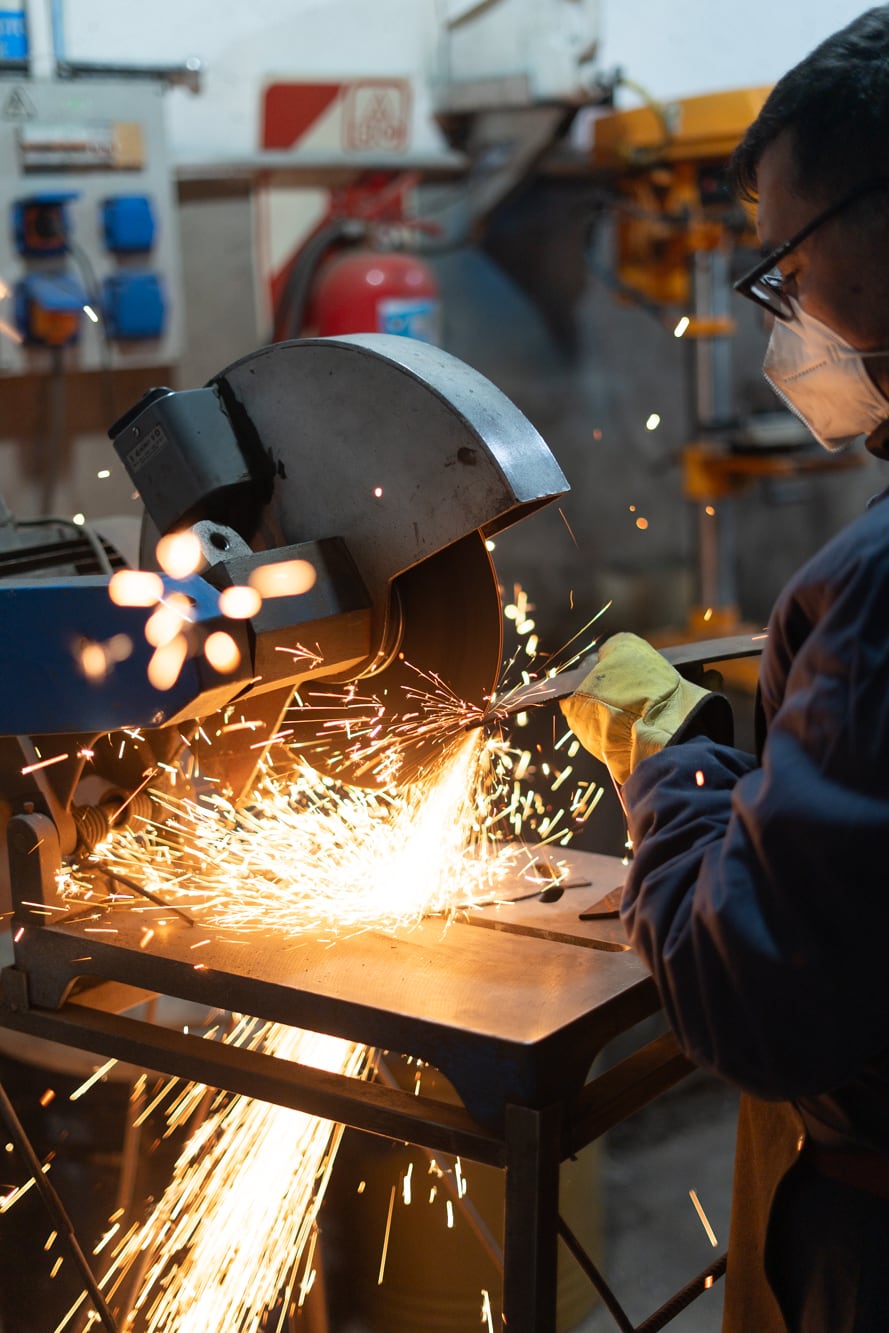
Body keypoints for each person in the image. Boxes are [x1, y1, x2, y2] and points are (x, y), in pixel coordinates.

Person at [561, 9, 889, 1332]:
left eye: (783, 266)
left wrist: (669, 754)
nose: (785, 318)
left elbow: (745, 996)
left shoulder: (869, 593)